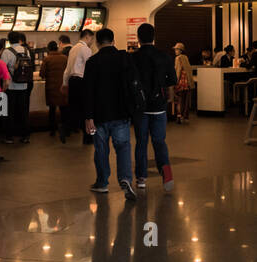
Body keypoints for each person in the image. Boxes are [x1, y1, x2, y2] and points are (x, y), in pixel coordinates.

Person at [83, 27, 137, 202]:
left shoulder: (92, 62)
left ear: (97, 43)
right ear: (114, 41)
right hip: (121, 113)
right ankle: (125, 179)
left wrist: (88, 117)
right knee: (123, 147)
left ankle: (102, 182)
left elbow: (88, 92)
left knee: (101, 149)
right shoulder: (124, 58)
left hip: (99, 115)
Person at [131, 23, 177, 192]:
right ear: (154, 37)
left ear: (138, 38)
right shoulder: (164, 57)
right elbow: (171, 80)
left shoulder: (133, 58)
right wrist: (170, 98)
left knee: (141, 142)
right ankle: (166, 173)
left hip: (140, 107)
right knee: (159, 141)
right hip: (159, 105)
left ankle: (141, 178)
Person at [62, 27, 96, 145]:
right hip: (82, 81)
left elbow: (67, 69)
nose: (92, 42)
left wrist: (64, 83)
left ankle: (65, 127)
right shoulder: (85, 49)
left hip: (72, 81)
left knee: (74, 108)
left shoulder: (73, 49)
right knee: (87, 109)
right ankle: (88, 137)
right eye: (92, 39)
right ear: (87, 37)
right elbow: (90, 68)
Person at [0, 32, 33, 144]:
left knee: (10, 111)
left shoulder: (7, 52)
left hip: (11, 86)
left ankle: (9, 136)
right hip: (24, 85)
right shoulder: (26, 50)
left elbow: (3, 69)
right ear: (19, 39)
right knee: (23, 111)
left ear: (9, 40)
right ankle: (25, 135)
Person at [40, 40, 69, 137]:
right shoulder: (64, 58)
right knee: (64, 109)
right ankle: (66, 129)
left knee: (52, 110)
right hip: (62, 87)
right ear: (57, 48)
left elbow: (42, 74)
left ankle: (52, 130)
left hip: (51, 88)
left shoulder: (47, 59)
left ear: (48, 49)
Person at [172, 42, 193, 124]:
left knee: (179, 99)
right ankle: (185, 116)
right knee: (186, 100)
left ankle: (179, 116)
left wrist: (175, 82)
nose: (175, 51)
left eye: (176, 49)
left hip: (181, 81)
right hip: (187, 82)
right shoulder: (185, 57)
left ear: (180, 50)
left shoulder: (178, 58)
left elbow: (178, 70)